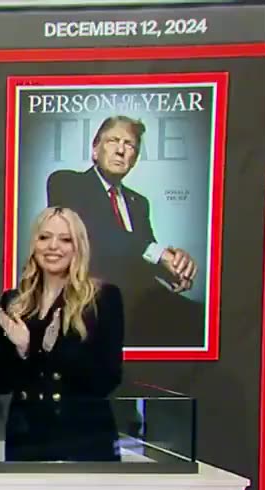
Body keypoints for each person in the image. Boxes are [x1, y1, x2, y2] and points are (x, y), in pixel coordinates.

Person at [45, 115, 201, 349]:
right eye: (113, 141)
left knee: (201, 320)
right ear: (95, 150)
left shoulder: (139, 203)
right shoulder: (66, 182)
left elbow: (146, 252)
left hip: (140, 303)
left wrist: (176, 267)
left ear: (135, 159)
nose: (121, 150)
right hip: (90, 301)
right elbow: (91, 231)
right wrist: (159, 254)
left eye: (130, 145)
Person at [0, 207, 125, 461]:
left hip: (84, 439)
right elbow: (0, 381)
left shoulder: (103, 299)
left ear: (78, 246)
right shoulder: (14, 302)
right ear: (34, 243)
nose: (53, 246)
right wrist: (23, 350)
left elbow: (107, 379)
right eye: (44, 237)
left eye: (65, 239)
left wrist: (53, 351)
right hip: (27, 439)